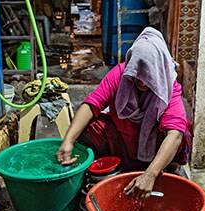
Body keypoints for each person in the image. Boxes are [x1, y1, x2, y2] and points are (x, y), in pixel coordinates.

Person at [56, 27, 192, 199]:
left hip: (152, 145)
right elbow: (91, 104)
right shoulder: (121, 74)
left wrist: (150, 174)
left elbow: (175, 133)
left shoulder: (168, 84)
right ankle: (113, 166)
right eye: (137, 74)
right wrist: (68, 141)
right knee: (92, 128)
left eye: (147, 75)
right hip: (123, 139)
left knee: (182, 130)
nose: (141, 82)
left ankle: (165, 167)